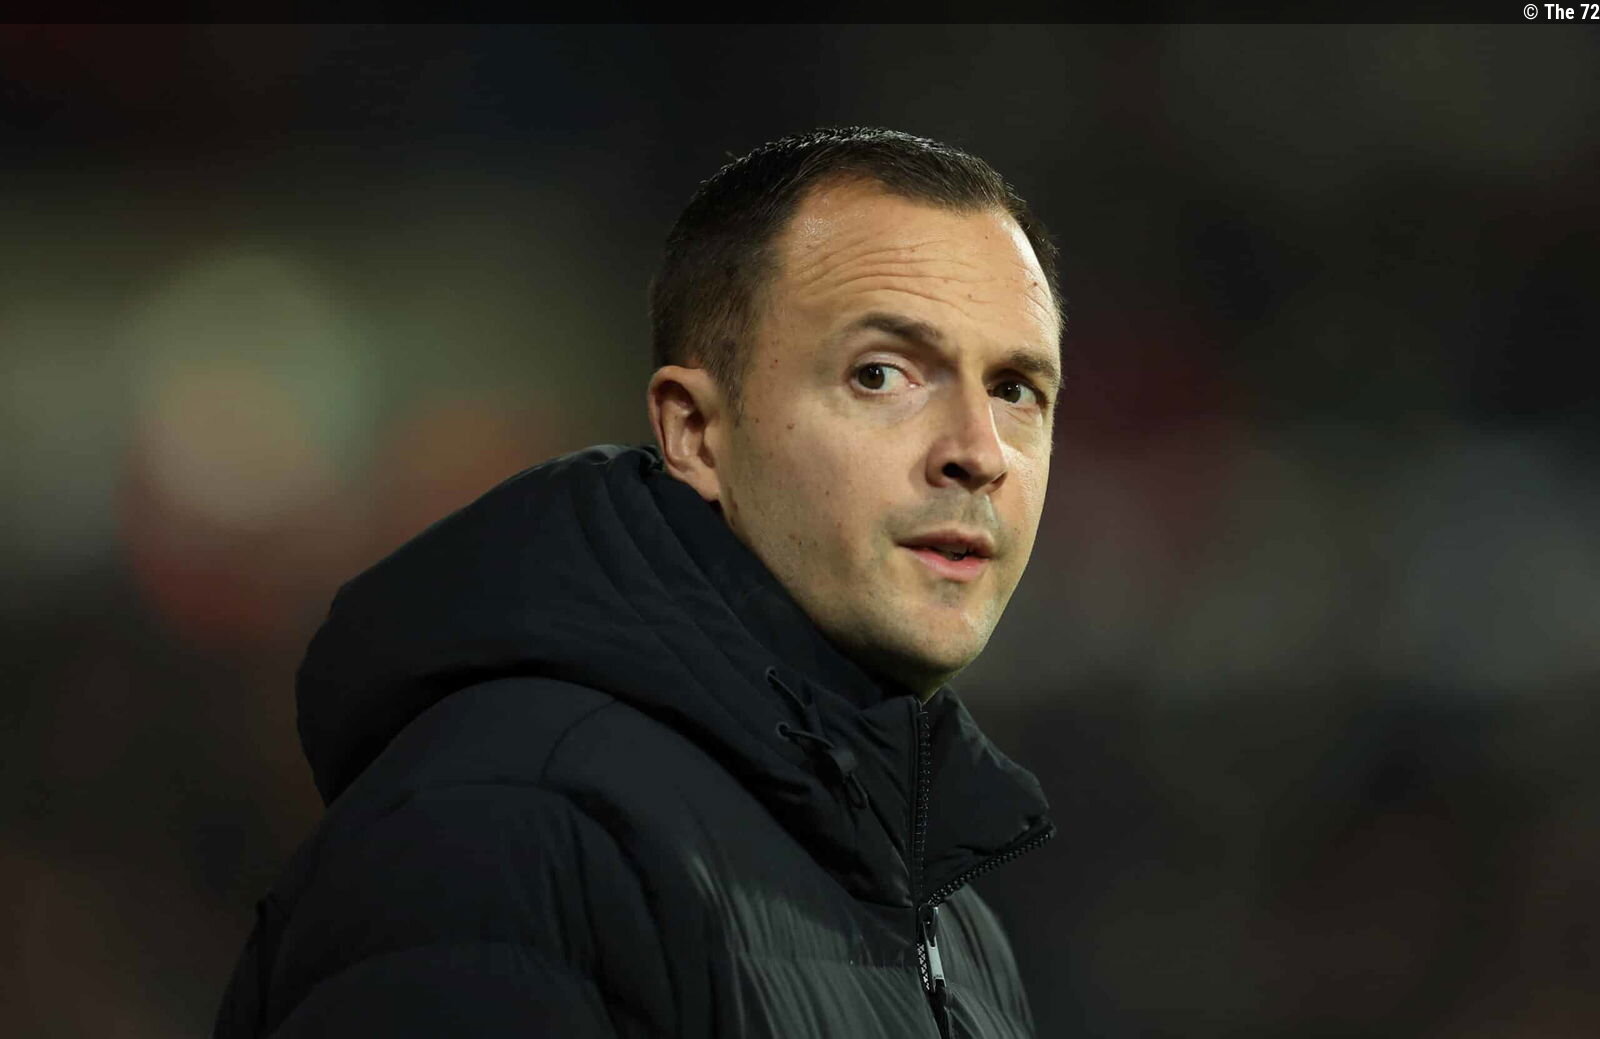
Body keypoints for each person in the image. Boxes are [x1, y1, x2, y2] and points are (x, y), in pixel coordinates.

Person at [214, 126, 1063, 1039]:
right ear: (695, 430)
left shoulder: (952, 919)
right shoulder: (502, 829)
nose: (978, 452)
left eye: (1015, 388)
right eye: (881, 374)